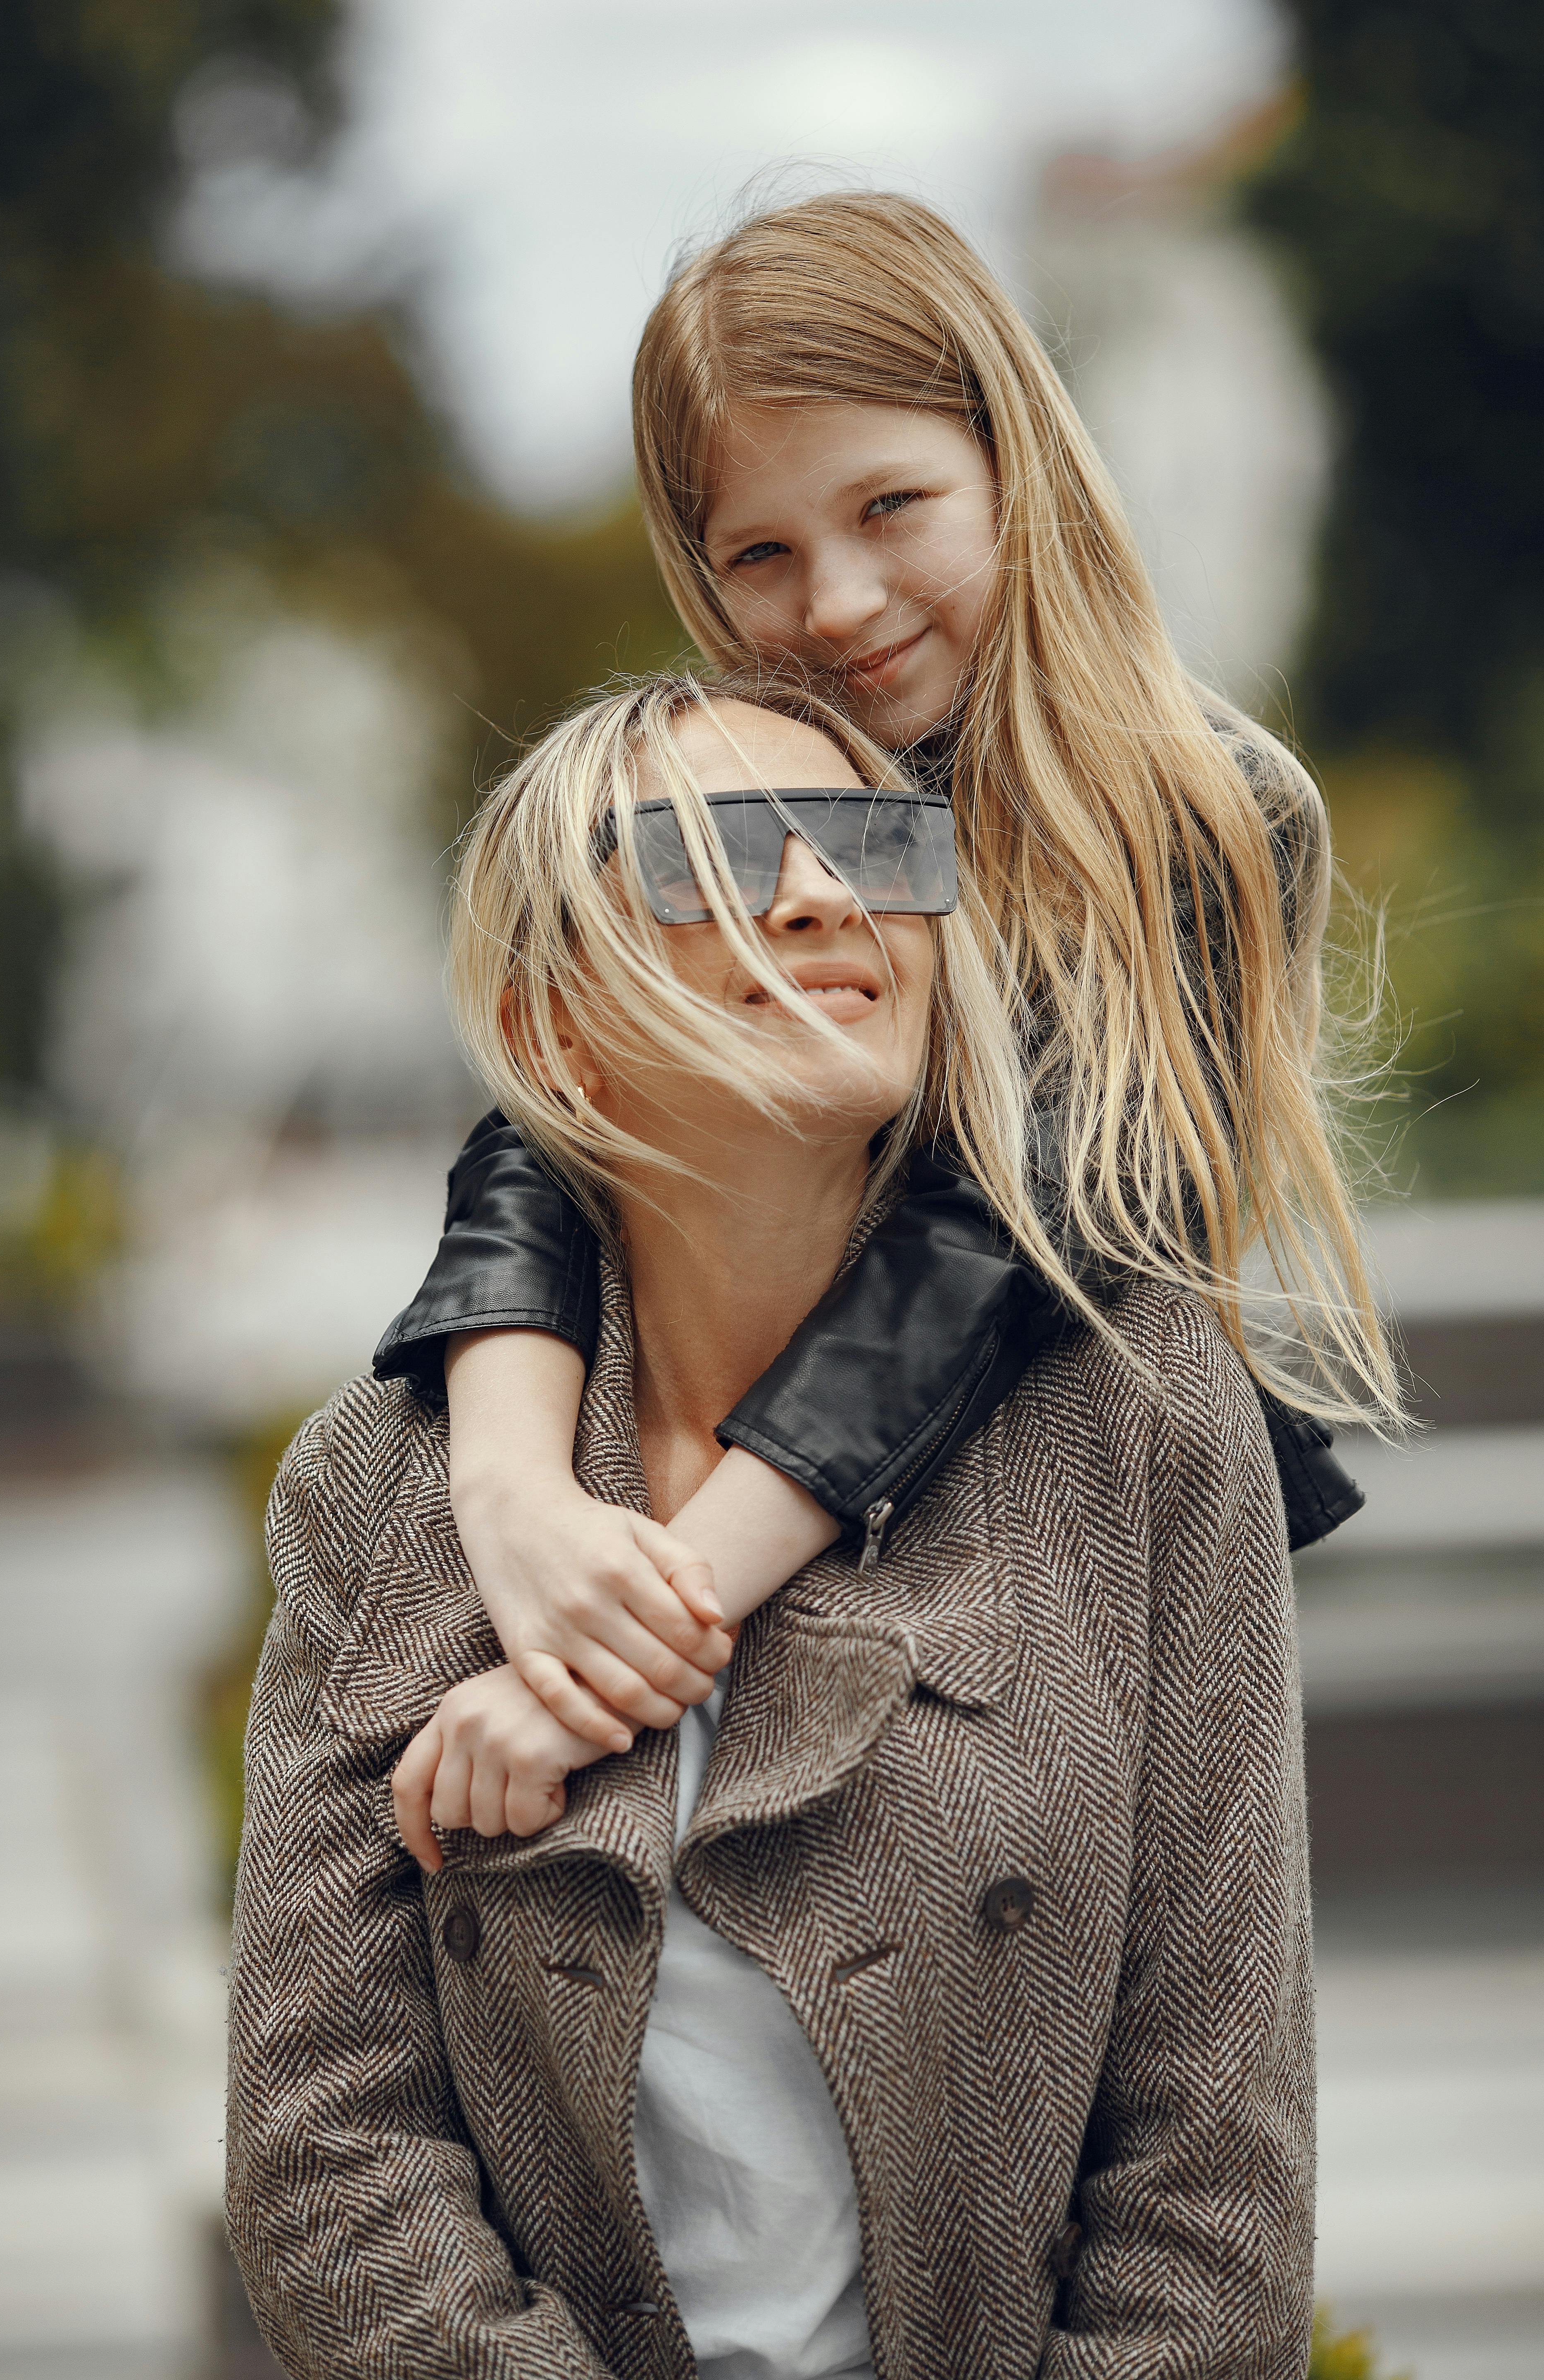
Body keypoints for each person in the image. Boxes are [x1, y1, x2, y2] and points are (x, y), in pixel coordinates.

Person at [228, 678, 1317, 2379]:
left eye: (877, 843)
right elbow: (329, 2160)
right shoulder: (380, 1488)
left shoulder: (1143, 1413)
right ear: (554, 1019)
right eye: (717, 856)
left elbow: (1217, 2150)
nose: (823, 895)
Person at [372, 192, 1396, 1780]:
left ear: (1016, 468)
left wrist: (637, 1644)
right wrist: (510, 1493)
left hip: (1043, 1550)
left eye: (893, 507)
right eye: (761, 553)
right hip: (723, 1494)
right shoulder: (733, 797)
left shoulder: (1197, 819)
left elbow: (990, 1255)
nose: (837, 605)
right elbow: (554, 1135)